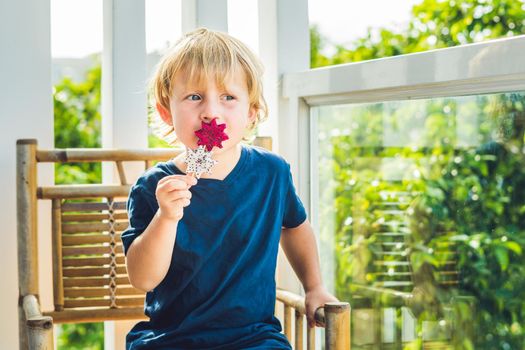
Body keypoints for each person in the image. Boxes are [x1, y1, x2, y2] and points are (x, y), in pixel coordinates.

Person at [121, 27, 337, 350]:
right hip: (174, 338)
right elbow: (143, 278)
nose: (210, 111)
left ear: (250, 112)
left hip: (254, 337)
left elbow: (294, 227)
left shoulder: (271, 173)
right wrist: (166, 217)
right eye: (194, 97)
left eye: (228, 98)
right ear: (167, 111)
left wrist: (314, 286)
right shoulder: (153, 187)